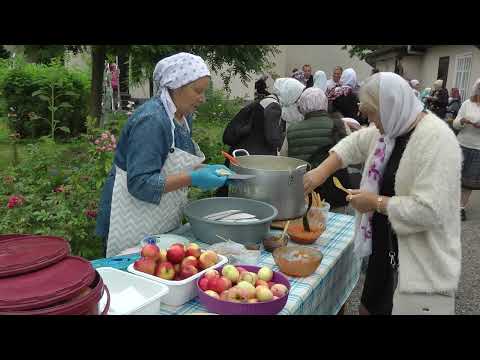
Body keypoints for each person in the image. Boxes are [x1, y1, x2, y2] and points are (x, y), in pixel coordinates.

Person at [304, 72, 462, 315]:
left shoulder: (437, 140)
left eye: (371, 113)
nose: (368, 121)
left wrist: (376, 202)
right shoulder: (390, 129)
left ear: (392, 106)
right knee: (369, 308)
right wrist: (321, 172)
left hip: (421, 260)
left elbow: (431, 210)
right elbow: (355, 142)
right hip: (384, 248)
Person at [96, 53, 231, 258]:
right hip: (131, 219)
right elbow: (140, 183)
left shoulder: (183, 117)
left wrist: (206, 170)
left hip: (160, 218)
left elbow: (169, 166)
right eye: (197, 91)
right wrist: (193, 178)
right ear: (177, 85)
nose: (202, 98)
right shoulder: (151, 120)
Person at [279, 87, 351, 211]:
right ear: (325, 104)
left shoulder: (292, 130)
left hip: (305, 192)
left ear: (301, 107)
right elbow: (350, 156)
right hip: (335, 192)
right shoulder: (341, 125)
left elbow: (283, 162)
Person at [452, 78, 480, 221]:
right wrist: (463, 121)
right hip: (462, 144)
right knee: (454, 176)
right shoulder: (466, 104)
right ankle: (448, 203)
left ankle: (461, 207)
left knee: (469, 180)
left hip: (478, 148)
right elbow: (456, 124)